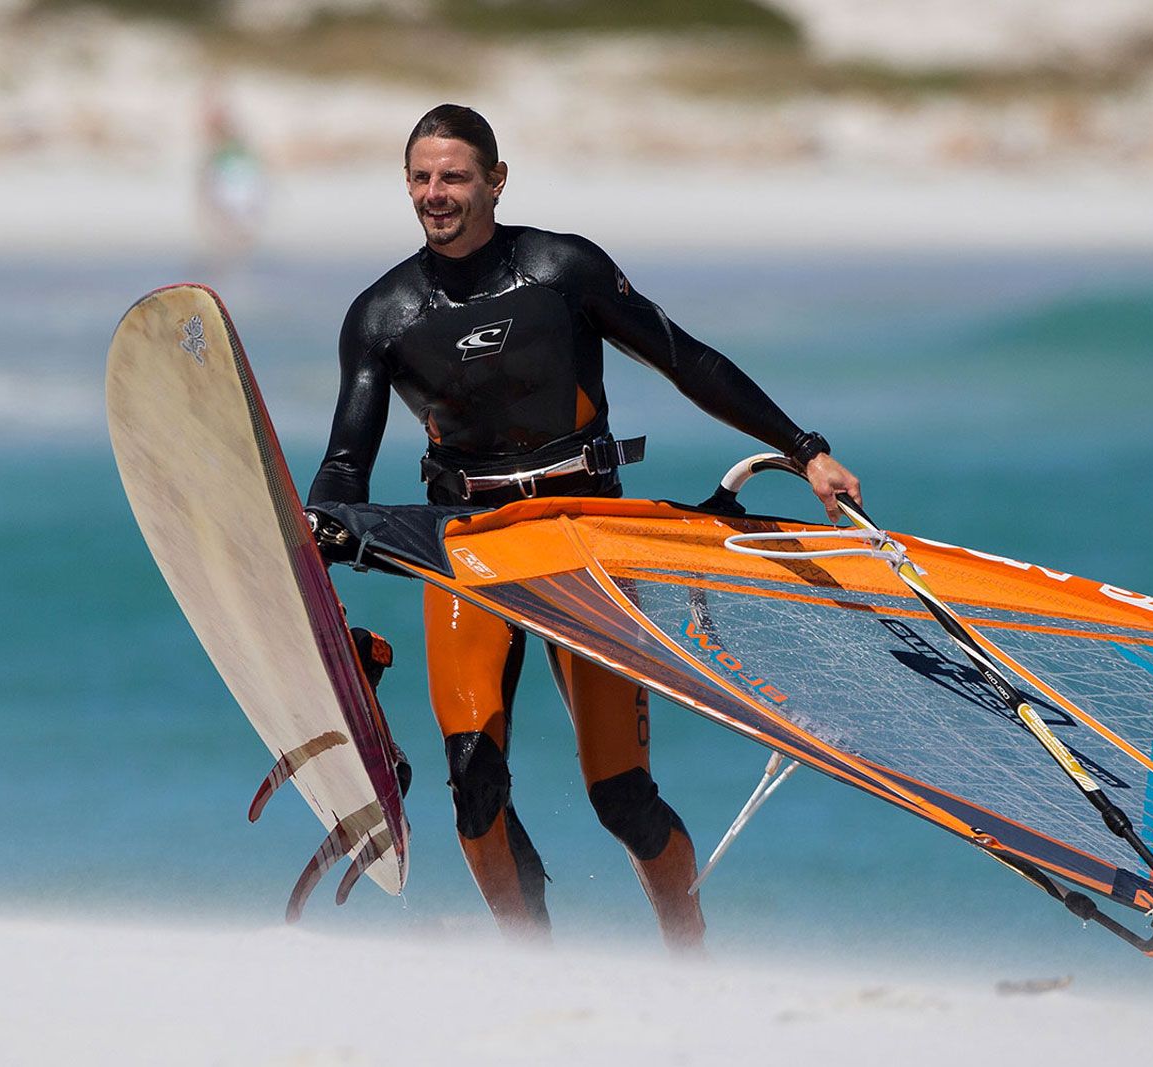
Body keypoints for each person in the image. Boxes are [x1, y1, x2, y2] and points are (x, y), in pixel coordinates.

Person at [305, 104, 861, 951]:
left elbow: (688, 360)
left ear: (496, 179)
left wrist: (803, 447)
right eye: (419, 178)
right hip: (471, 544)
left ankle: (688, 944)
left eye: (453, 176)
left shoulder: (561, 270)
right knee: (471, 778)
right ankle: (535, 965)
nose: (434, 194)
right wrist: (318, 530)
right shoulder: (383, 315)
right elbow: (348, 461)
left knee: (622, 795)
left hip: (582, 532)